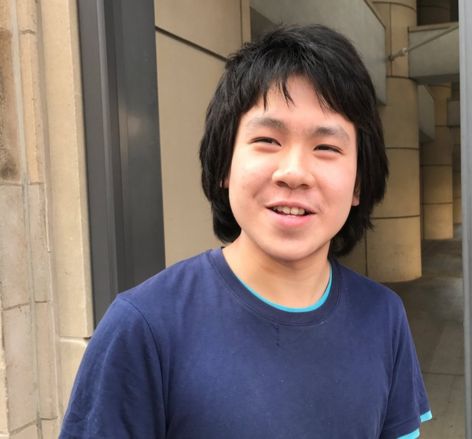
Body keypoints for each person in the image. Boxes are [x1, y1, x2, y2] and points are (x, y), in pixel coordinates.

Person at [60, 25, 431, 438]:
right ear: (224, 165)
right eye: (268, 139)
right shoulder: (143, 328)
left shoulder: (383, 317)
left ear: (359, 183)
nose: (294, 172)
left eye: (326, 147)